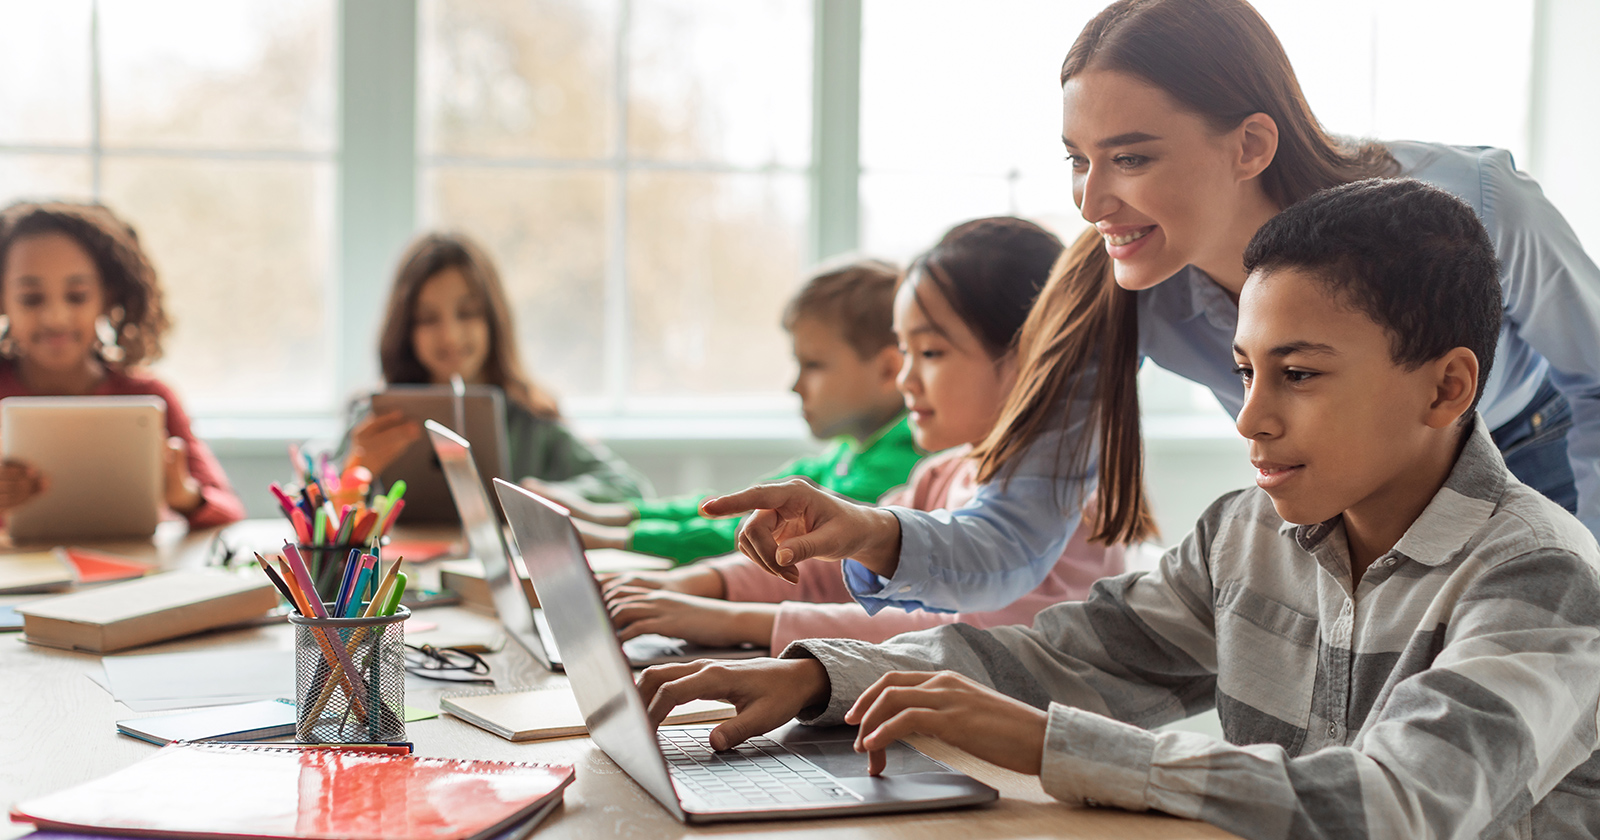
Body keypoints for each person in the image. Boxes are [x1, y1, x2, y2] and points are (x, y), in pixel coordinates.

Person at [639, 179, 1600, 839]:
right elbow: (1056, 656)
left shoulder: (1542, 578)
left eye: (1299, 374)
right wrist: (824, 678)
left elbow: (1396, 807)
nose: (1253, 419)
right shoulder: (1246, 533)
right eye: (1245, 373)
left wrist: (1051, 741)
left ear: (1445, 389)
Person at [703, 0, 1600, 615]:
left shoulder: (1475, 202)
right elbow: (1016, 538)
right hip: (1342, 497)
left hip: (1530, 463)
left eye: (1129, 158)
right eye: (1076, 160)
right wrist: (866, 530)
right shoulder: (1120, 287)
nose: (1091, 205)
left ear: (1251, 143)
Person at [600, 218, 1133, 650]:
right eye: (905, 352)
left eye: (930, 353)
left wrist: (733, 621)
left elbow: (960, 640)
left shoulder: (1067, 507)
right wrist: (689, 587)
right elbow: (831, 569)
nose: (903, 379)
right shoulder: (938, 476)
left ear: (1026, 357)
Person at [544, 258, 922, 566]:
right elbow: (736, 504)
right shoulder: (849, 451)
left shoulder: (905, 463)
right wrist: (616, 515)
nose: (795, 386)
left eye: (814, 365)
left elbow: (751, 537)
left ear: (888, 370)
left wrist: (611, 537)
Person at [348, 232, 647, 503]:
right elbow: (312, 502)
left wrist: (544, 498)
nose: (450, 336)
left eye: (467, 313)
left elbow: (630, 488)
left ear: (493, 320)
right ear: (405, 329)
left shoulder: (531, 419)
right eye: (427, 319)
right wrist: (354, 473)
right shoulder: (376, 418)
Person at [0, 201, 245, 530]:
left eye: (77, 296)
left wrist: (182, 494)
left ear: (108, 297)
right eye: (31, 299)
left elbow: (228, 510)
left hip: (133, 577)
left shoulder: (149, 398)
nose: (55, 317)